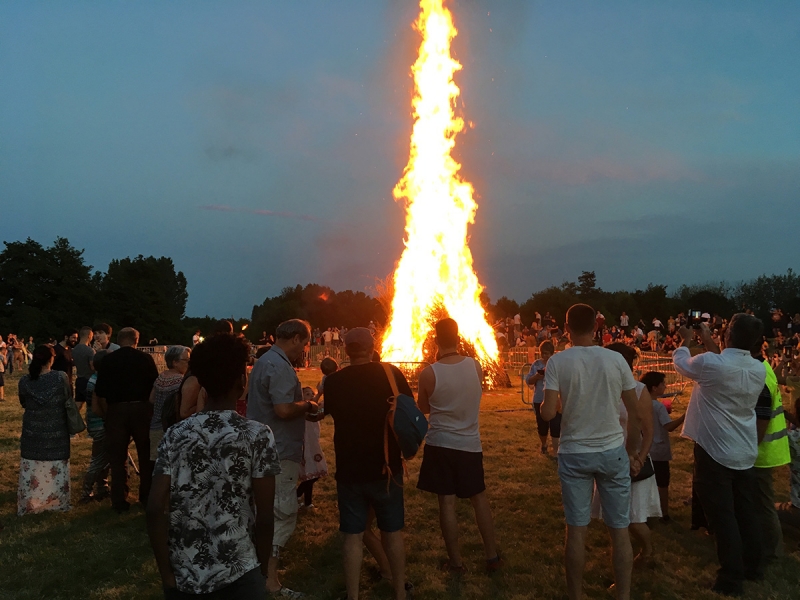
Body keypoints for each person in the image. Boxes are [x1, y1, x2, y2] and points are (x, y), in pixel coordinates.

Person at [147, 333, 281, 599]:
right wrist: (263, 569)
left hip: (186, 570)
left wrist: (167, 574)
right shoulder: (256, 435)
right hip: (240, 569)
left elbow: (154, 508)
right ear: (242, 381)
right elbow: (265, 515)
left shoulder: (176, 434)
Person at [541, 304, 644, 600]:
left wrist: (560, 404)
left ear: (566, 327)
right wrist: (632, 450)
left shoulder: (558, 362)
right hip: (612, 449)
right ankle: (623, 594)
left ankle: (576, 594)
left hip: (574, 452)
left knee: (576, 529)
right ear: (596, 327)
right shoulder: (615, 359)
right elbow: (635, 412)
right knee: (619, 529)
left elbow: (548, 413)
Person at [673, 316, 769, 596]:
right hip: (744, 449)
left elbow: (681, 363)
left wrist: (686, 340)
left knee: (722, 515)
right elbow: (723, 362)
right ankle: (754, 565)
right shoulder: (757, 368)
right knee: (745, 510)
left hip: (714, 450)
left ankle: (731, 577)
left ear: (727, 334)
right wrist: (706, 339)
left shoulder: (710, 365)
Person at [323, 327, 411, 600]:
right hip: (386, 467)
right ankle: (399, 592)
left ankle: (353, 596)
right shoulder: (390, 373)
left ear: (346, 351)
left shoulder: (334, 382)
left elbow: (328, 412)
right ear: (372, 347)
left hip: (350, 469)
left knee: (352, 534)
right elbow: (409, 408)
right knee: (392, 532)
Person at [416, 318, 500, 574]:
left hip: (441, 445)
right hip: (469, 444)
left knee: (447, 504)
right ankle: (492, 556)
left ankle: (456, 562)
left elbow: (424, 409)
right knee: (479, 499)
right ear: (458, 338)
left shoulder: (429, 373)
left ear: (435, 340)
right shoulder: (475, 366)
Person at [247, 319, 317, 597]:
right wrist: (309, 405)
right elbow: (284, 410)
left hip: (263, 447)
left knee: (263, 510)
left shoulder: (265, 361)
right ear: (297, 339)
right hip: (277, 449)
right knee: (282, 512)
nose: (304, 350)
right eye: (305, 343)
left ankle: (261, 570)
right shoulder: (279, 366)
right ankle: (270, 580)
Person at [595, 344, 657, 568]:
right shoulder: (603, 388)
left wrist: (640, 457)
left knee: (632, 519)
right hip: (608, 458)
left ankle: (648, 550)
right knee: (614, 516)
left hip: (632, 461)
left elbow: (648, 430)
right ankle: (623, 554)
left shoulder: (639, 390)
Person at [94, 327, 159, 513]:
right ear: (136, 340)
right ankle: (146, 496)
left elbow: (101, 391)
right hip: (141, 409)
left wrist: (108, 413)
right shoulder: (145, 359)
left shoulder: (108, 360)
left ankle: (119, 500)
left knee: (117, 457)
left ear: (118, 339)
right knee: (146, 455)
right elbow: (154, 386)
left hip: (116, 410)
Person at [17, 345, 72, 515]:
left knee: (33, 466)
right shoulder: (60, 377)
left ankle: (31, 503)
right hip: (57, 430)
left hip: (33, 430)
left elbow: (24, 402)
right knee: (56, 466)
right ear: (52, 359)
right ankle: (57, 503)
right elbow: (68, 398)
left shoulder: (25, 381)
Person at [751, 344, 790, 562]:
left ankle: (772, 551)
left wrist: (752, 447)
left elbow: (762, 417)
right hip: (768, 447)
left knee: (764, 504)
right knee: (761, 501)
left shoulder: (759, 375)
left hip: (763, 449)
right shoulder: (764, 366)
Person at [640, 372, 685, 521]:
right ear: (654, 387)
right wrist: (684, 417)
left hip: (644, 449)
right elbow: (669, 426)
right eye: (663, 384)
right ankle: (663, 513)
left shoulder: (640, 403)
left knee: (645, 482)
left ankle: (644, 512)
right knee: (662, 483)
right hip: (658, 451)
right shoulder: (658, 407)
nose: (665, 386)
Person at [148, 346, 191, 461]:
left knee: (158, 464)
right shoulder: (180, 381)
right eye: (186, 360)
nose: (188, 363)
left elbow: (152, 399)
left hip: (155, 427)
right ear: (175, 362)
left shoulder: (160, 377)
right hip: (173, 428)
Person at [81, 350, 111, 503]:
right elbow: (99, 407)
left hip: (94, 423)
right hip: (100, 424)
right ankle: (86, 491)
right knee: (98, 460)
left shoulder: (94, 378)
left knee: (105, 458)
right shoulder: (100, 382)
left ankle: (103, 487)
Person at [525, 341, 560, 454]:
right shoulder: (536, 364)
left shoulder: (556, 364)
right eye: (543, 353)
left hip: (554, 398)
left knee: (556, 425)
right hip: (539, 398)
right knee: (542, 425)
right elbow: (528, 381)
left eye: (547, 354)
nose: (545, 356)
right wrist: (537, 376)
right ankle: (543, 444)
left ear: (552, 353)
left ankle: (556, 450)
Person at [297, 386, 328, 511]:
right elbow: (312, 406)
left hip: (313, 445)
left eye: (311, 393)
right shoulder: (303, 410)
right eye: (307, 394)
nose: (310, 395)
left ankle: (306, 502)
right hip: (306, 446)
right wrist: (319, 393)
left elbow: (320, 406)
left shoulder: (313, 409)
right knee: (312, 473)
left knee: (312, 473)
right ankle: (299, 496)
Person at [71, 326, 95, 410]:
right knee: (91, 406)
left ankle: (73, 421)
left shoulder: (74, 350)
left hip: (79, 379)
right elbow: (92, 367)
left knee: (78, 405)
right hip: (89, 380)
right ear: (89, 335)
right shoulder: (90, 351)